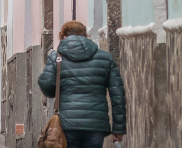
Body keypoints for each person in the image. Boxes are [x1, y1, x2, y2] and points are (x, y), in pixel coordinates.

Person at [37, 20, 126, 148]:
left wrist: (57, 91)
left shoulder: (56, 57)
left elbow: (46, 85)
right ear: (85, 35)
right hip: (96, 125)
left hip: (67, 123)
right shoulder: (105, 57)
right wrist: (118, 128)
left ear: (63, 36)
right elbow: (117, 95)